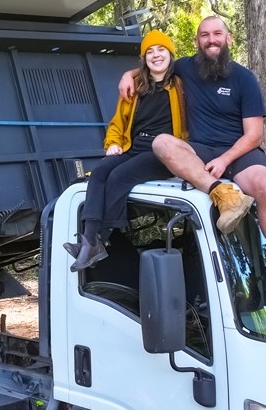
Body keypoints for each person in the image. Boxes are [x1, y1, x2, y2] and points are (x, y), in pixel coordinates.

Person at [119, 15, 266, 305]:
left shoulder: (243, 78)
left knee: (262, 184)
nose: (211, 40)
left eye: (217, 34)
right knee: (162, 142)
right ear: (197, 41)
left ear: (228, 39)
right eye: (204, 35)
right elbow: (152, 64)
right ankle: (222, 195)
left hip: (239, 149)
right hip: (199, 147)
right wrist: (128, 75)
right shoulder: (185, 67)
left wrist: (225, 160)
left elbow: (254, 135)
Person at [67, 30, 188, 271]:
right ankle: (89, 240)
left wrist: (127, 72)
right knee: (100, 172)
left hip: (163, 153)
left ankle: (99, 239)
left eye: (161, 50)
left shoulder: (181, 84)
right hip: (133, 148)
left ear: (170, 54)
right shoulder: (135, 88)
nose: (156, 55)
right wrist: (112, 143)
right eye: (149, 52)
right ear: (144, 59)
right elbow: (116, 124)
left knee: (120, 176)